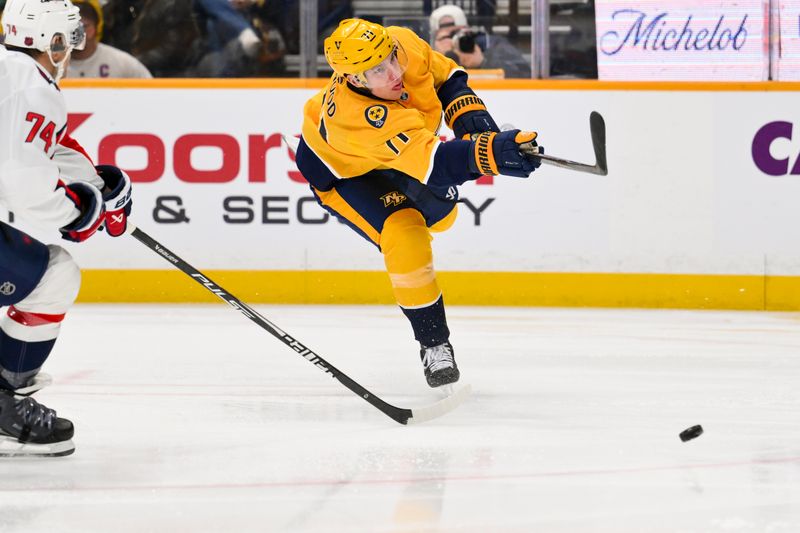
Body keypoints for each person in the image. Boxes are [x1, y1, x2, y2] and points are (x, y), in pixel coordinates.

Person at [294, 19, 540, 388]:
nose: (395, 72)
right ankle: (434, 344)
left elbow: (447, 78)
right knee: (405, 232)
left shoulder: (401, 41)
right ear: (356, 80)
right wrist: (490, 152)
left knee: (443, 216)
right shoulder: (355, 119)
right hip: (345, 174)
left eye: (391, 57)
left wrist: (476, 125)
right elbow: (437, 166)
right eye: (378, 71)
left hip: (394, 152)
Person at [0, 0, 133, 456]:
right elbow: (26, 189)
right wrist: (81, 213)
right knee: (53, 277)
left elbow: (50, 147)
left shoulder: (10, 74)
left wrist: (96, 188)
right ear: (52, 42)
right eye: (69, 39)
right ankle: (4, 409)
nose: (74, 49)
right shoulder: (30, 87)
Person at [429, 4, 531, 79]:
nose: (455, 39)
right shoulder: (427, 55)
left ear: (467, 29)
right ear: (435, 39)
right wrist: (441, 58)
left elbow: (525, 73)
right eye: (448, 36)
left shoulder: (491, 44)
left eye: (457, 32)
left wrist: (483, 62)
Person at [66, 0, 152, 78]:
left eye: (83, 26)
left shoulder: (121, 62)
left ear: (95, 28)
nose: (75, 32)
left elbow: (151, 88)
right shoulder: (55, 63)